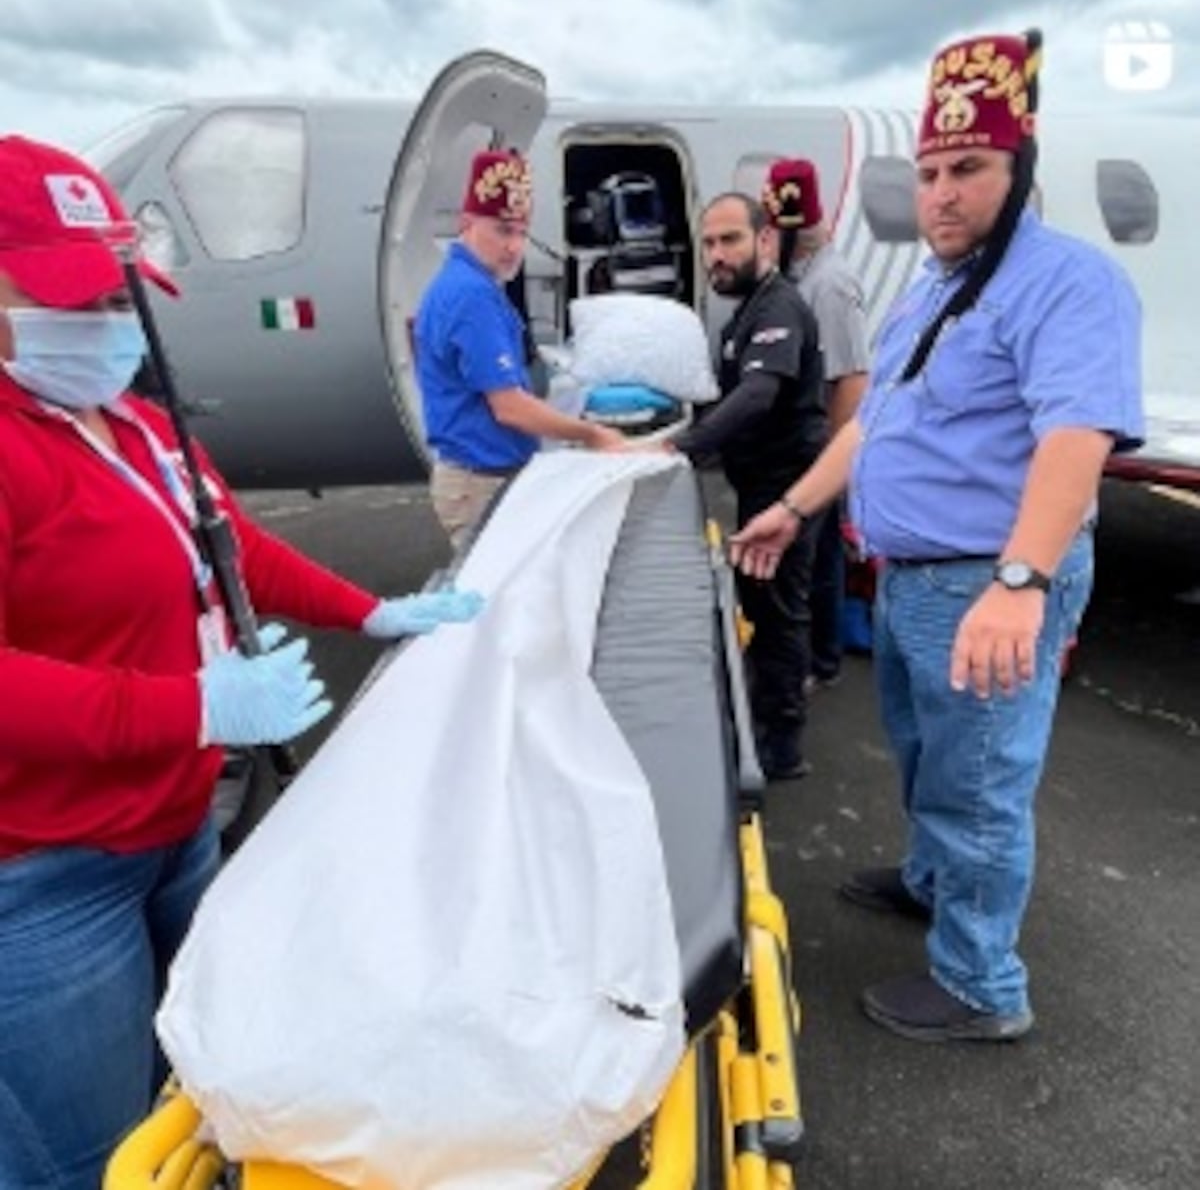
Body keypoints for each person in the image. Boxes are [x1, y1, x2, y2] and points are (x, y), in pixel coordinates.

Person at [0, 135, 483, 1190]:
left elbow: (229, 540)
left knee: (209, 1095)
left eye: (119, 296)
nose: (107, 325)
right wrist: (191, 704)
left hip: (180, 833)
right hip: (45, 874)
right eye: (73, 302)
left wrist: (373, 609)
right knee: (89, 1160)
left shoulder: (130, 422)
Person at [729, 31, 1144, 1042]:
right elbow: (875, 422)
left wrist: (1019, 581)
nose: (944, 193)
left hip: (983, 581)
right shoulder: (935, 286)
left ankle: (980, 982)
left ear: (1020, 168)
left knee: (981, 782)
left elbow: (1075, 439)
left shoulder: (1066, 283)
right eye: (928, 173)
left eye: (969, 169)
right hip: (913, 579)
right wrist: (796, 505)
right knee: (924, 757)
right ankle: (930, 880)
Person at [667, 192, 828, 780]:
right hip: (762, 480)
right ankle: (763, 711)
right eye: (708, 243)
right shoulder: (749, 307)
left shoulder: (778, 308)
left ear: (766, 241)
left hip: (788, 485)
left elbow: (759, 395)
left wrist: (680, 446)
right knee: (762, 600)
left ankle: (781, 746)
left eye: (730, 239)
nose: (716, 255)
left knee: (779, 608)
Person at [415, 149, 626, 550]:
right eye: (501, 230)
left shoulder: (465, 283)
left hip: (483, 478)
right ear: (466, 223)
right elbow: (508, 407)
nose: (513, 246)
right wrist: (591, 433)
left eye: (520, 232)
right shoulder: (471, 296)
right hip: (480, 485)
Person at [762, 158, 870, 692]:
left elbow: (850, 379)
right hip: (808, 443)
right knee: (814, 554)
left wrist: (829, 464)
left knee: (818, 559)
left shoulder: (829, 286)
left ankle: (820, 661)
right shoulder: (801, 277)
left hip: (821, 447)